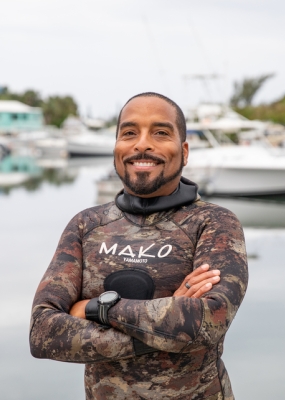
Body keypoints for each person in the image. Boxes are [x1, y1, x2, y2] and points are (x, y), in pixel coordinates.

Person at [30, 92, 248, 400]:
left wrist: (93, 309)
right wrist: (164, 321)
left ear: (184, 151)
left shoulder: (214, 224)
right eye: (129, 133)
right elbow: (42, 333)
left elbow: (204, 322)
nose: (142, 143)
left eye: (160, 132)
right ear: (116, 148)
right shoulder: (86, 225)